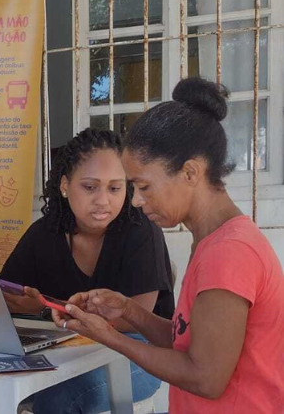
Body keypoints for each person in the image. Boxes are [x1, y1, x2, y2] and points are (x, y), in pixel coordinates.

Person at [53, 77, 284, 413]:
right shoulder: (211, 241)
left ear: (190, 173)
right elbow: (188, 344)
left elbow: (206, 377)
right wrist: (129, 311)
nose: (135, 201)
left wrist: (111, 337)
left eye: (144, 186)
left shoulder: (229, 253)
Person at [0, 128, 174, 414]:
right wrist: (24, 306)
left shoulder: (141, 231)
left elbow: (136, 319)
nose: (103, 201)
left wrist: (46, 311)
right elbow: (5, 294)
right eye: (90, 187)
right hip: (69, 347)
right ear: (65, 186)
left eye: (115, 188)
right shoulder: (44, 234)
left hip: (141, 352)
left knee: (62, 398)